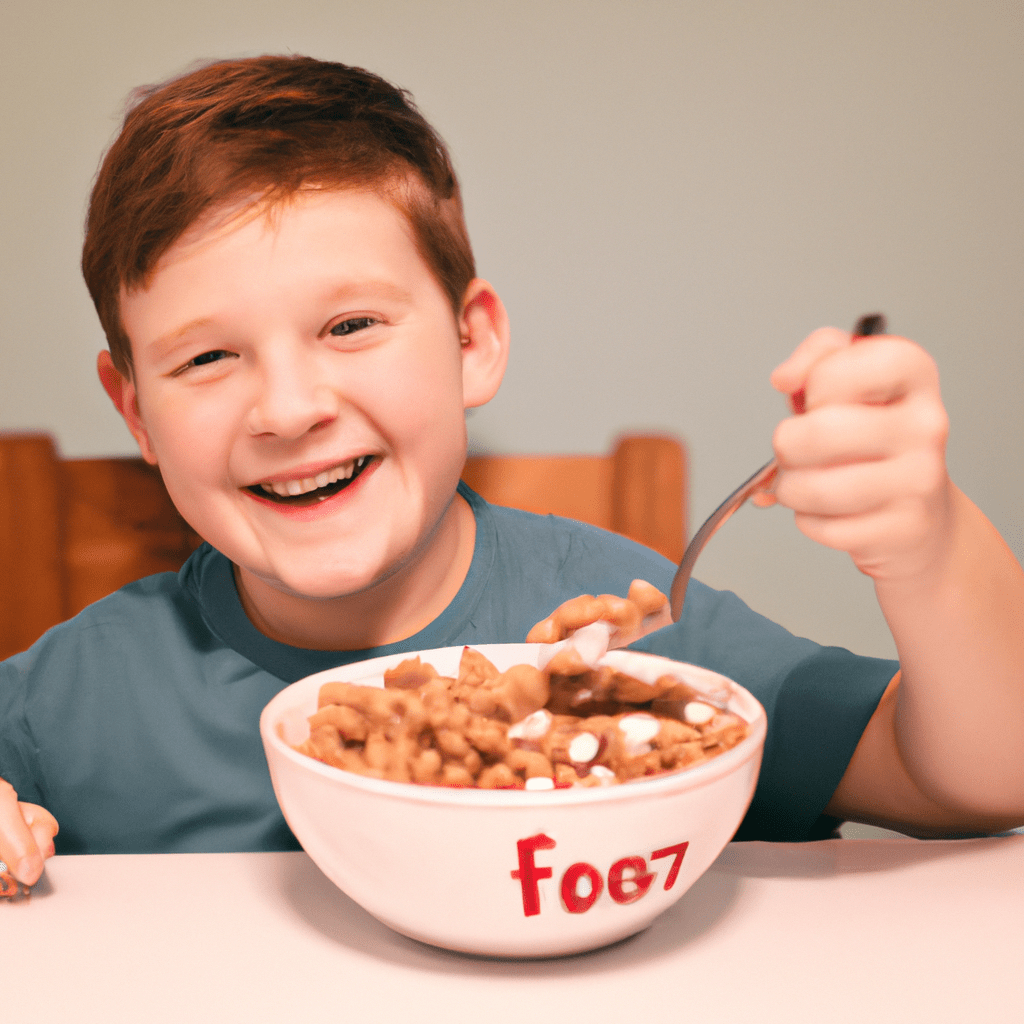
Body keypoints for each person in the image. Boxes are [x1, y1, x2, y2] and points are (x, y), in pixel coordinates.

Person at [2, 55, 1022, 889]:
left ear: (472, 342)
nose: (288, 408)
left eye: (349, 325)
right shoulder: (75, 696)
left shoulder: (629, 648)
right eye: (207, 358)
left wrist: (927, 548)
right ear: (135, 407)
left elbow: (981, 776)